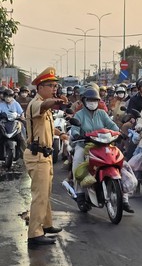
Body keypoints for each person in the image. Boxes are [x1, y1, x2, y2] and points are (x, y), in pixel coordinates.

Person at [70, 87, 135, 214]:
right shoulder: (79, 115)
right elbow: (74, 129)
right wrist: (77, 135)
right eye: (90, 100)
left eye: (95, 100)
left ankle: (125, 198)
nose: (92, 102)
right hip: (85, 145)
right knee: (77, 161)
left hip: (104, 145)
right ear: (84, 101)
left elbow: (112, 126)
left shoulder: (102, 113)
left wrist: (119, 133)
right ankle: (80, 195)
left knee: (121, 162)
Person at [24, 67, 65, 247]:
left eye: (55, 86)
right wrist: (54, 101)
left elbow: (45, 128)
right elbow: (44, 106)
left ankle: (46, 225)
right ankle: (34, 234)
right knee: (39, 195)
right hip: (37, 155)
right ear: (40, 87)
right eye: (50, 85)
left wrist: (60, 133)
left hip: (46, 155)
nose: (54, 88)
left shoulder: (45, 105)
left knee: (46, 193)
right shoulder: (37, 103)